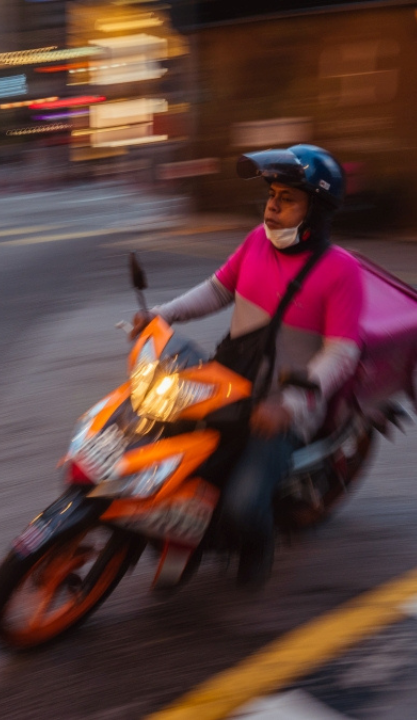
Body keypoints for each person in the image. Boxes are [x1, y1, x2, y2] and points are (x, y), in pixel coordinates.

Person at [131, 144, 364, 587]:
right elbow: (217, 290)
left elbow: (342, 354)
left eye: (288, 199)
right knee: (165, 451)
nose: (272, 206)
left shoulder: (341, 272)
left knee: (242, 505)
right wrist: (162, 314)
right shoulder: (257, 241)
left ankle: (260, 544)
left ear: (316, 212)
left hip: (281, 409)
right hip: (230, 383)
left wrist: (291, 404)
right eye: (272, 195)